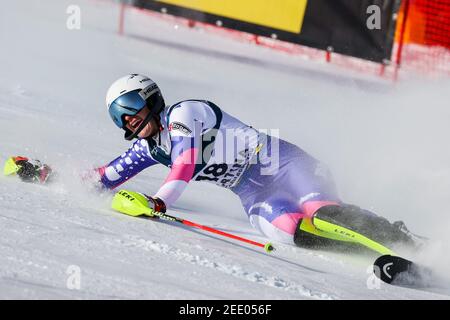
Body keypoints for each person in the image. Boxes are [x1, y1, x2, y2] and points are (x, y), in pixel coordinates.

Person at [83, 74, 427, 253]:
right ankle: (364, 248)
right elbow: (104, 177)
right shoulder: (150, 147)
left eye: (130, 108)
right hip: (252, 193)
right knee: (289, 229)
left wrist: (159, 202)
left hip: (282, 165)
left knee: (321, 213)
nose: (128, 121)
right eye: (120, 117)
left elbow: (185, 164)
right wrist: (43, 173)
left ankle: (403, 240)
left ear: (150, 99)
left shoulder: (184, 113)